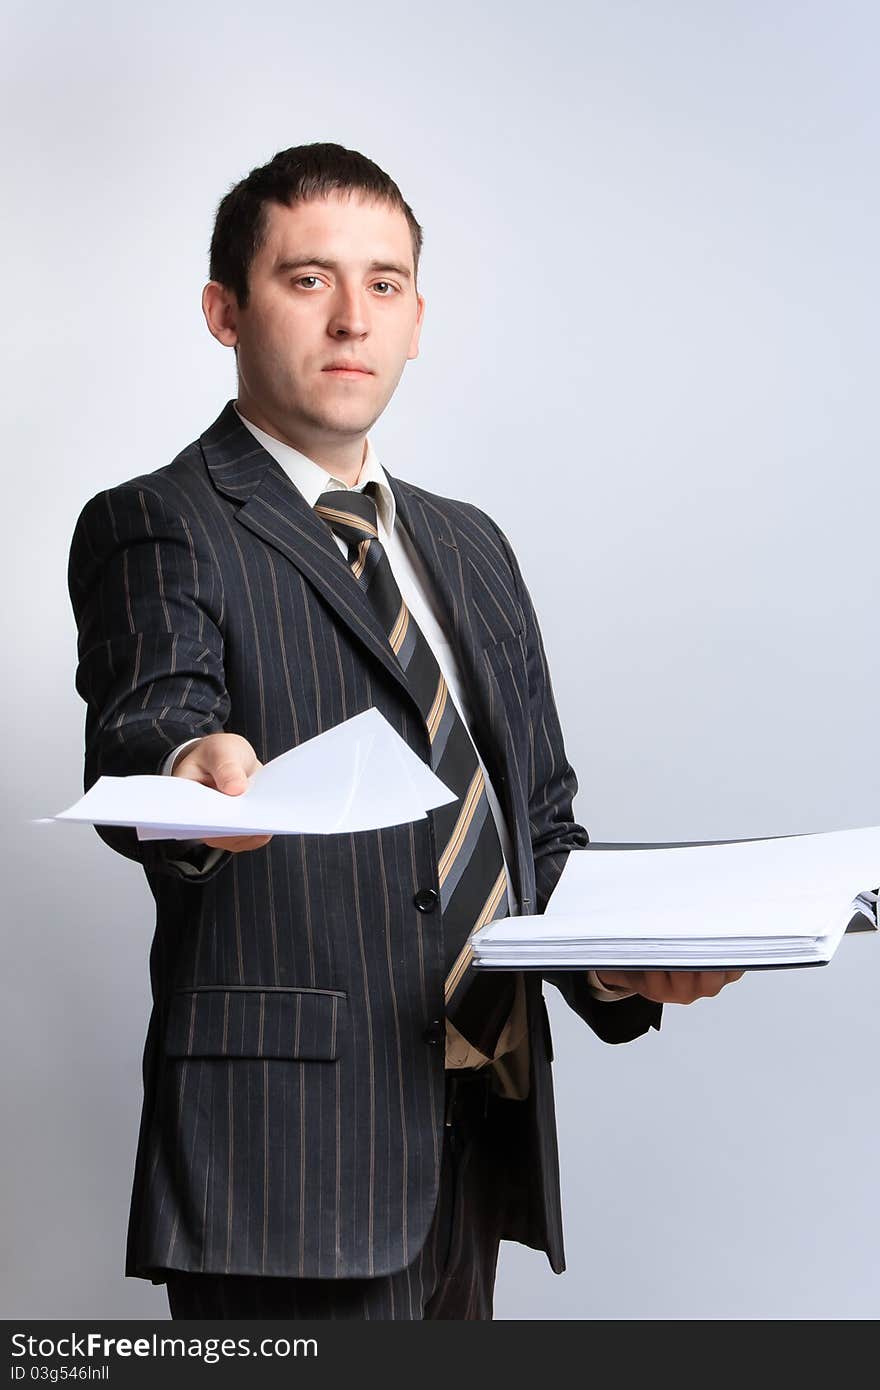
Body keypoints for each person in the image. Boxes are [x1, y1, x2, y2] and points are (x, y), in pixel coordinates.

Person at [68, 142, 743, 1320]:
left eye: (383, 284)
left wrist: (617, 964)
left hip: (476, 1123)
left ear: (418, 318)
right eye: (306, 278)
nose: (349, 318)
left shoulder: (471, 543)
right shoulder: (157, 521)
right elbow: (150, 721)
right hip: (291, 1157)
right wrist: (191, 768)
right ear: (226, 310)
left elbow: (535, 822)